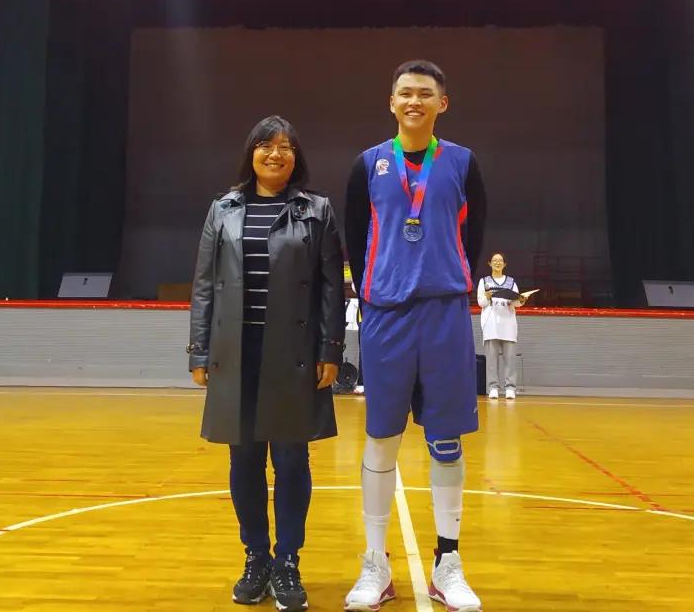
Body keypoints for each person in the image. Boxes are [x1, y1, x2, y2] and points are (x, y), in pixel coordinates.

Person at [343, 60, 487, 612]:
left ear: (441, 104)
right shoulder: (367, 164)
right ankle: (375, 564)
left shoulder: (463, 163)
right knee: (382, 437)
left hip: (445, 312)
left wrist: (443, 277)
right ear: (391, 101)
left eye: (425, 94)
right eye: (405, 93)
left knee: (446, 440)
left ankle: (448, 563)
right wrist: (379, 290)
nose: (414, 102)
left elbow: (473, 237)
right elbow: (357, 236)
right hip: (386, 314)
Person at [188, 115, 345, 611]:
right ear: (250, 152)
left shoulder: (317, 210)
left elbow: (331, 288)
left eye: (285, 147)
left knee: (293, 460)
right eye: (265, 145)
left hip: (294, 354)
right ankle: (255, 557)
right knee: (245, 460)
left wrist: (330, 349)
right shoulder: (223, 209)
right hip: (236, 353)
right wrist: (199, 350)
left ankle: (288, 561)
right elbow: (205, 285)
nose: (274, 154)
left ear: (296, 157)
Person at [477, 252, 523, 400]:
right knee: (491, 359)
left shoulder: (511, 282)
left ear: (504, 264)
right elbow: (481, 303)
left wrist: (522, 300)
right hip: (491, 325)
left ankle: (510, 388)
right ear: (490, 263)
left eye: (500, 260)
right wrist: (487, 297)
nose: (497, 262)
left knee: (510, 359)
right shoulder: (484, 282)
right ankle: (493, 387)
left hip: (508, 324)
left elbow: (516, 302)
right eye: (494, 260)